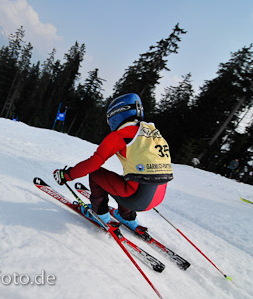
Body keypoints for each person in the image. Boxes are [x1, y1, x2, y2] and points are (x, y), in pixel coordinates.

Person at [53, 93, 173, 234]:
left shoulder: (121, 135)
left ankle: (101, 214)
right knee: (129, 179)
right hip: (157, 197)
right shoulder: (151, 134)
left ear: (117, 114)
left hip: (137, 199)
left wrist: (66, 175)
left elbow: (93, 163)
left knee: (96, 174)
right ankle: (127, 216)